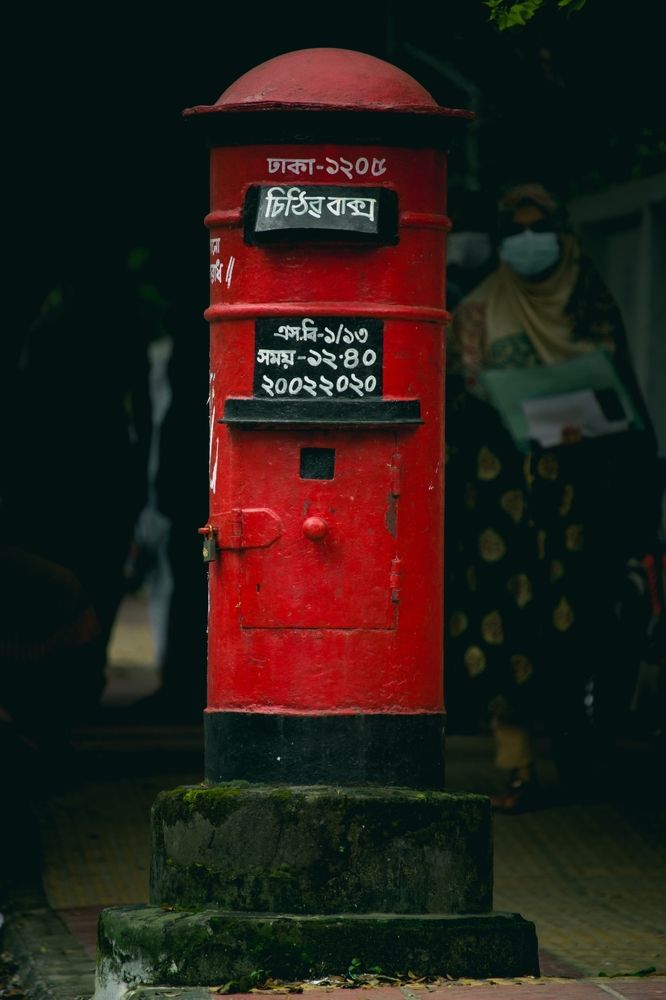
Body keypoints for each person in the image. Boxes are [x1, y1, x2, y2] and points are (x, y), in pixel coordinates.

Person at [444, 182, 662, 811]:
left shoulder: (592, 307)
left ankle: (583, 762)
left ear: (564, 238)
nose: (528, 243)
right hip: (497, 509)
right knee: (500, 632)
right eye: (516, 232)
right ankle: (516, 767)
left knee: (581, 632)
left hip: (581, 507)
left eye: (541, 229)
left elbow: (624, 411)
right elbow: (457, 409)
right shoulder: (477, 314)